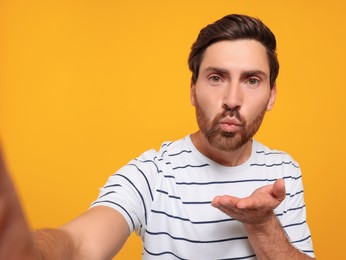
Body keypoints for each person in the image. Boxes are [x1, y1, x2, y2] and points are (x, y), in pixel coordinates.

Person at [0, 14, 315, 259]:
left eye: (252, 80)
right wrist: (24, 248)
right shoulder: (152, 174)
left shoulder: (284, 172)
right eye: (216, 78)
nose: (232, 99)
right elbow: (81, 245)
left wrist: (262, 224)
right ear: (193, 90)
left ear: (271, 95)